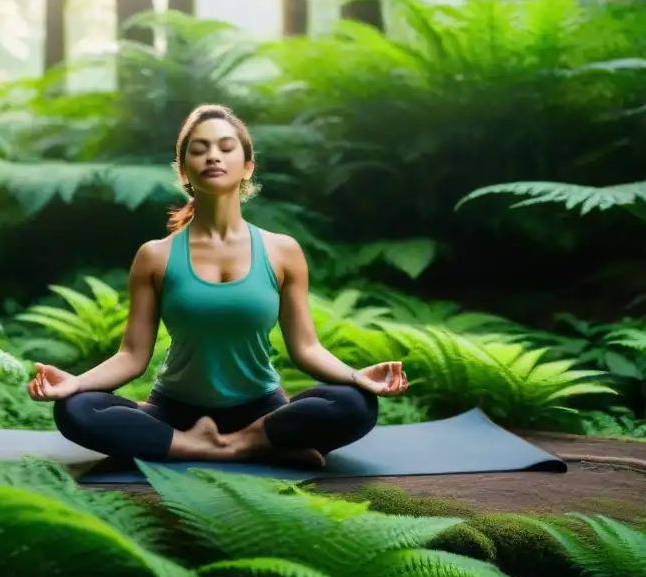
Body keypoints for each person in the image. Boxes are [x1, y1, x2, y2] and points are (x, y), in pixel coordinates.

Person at [27, 104, 409, 467]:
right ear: (183, 171)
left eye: (226, 148)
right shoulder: (155, 256)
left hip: (263, 410)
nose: (213, 156)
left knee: (357, 404)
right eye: (199, 149)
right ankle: (222, 446)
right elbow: (132, 355)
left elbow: (306, 348)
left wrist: (356, 376)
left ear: (247, 167)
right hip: (175, 413)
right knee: (76, 409)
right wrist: (75, 383)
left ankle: (243, 441)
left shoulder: (282, 251)